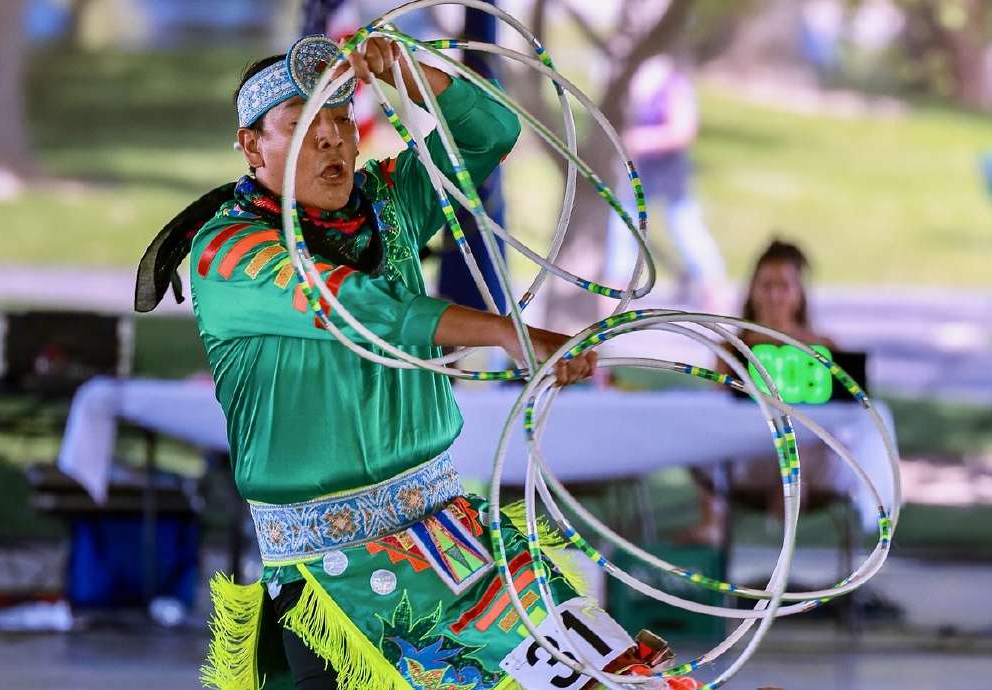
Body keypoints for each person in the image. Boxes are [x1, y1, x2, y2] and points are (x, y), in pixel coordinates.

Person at [136, 35, 690, 690]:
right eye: (306, 124)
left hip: (451, 535)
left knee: (602, 678)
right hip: (332, 574)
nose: (333, 140)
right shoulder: (227, 255)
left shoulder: (388, 205)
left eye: (342, 118)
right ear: (254, 146)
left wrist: (402, 70)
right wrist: (512, 335)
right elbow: (363, 311)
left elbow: (490, 134)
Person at [682, 239, 837, 545]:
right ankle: (712, 523)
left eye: (784, 286)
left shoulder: (824, 348)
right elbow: (718, 410)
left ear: (799, 293)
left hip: (813, 463)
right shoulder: (730, 349)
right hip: (747, 457)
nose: (774, 296)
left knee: (801, 431)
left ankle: (794, 482)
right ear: (753, 290)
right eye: (766, 285)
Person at [604, 55, 727, 309]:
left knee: (685, 229)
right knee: (622, 231)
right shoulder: (633, 77)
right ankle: (611, 305)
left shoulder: (673, 85)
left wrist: (640, 140)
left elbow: (682, 131)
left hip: (668, 173)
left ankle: (715, 295)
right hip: (638, 172)